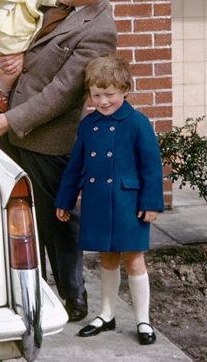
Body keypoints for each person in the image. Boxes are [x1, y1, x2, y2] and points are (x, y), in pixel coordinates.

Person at [0, 0, 118, 323]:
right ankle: (31, 290)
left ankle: (74, 299)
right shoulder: (60, 4)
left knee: (58, 223)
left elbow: (62, 93)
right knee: (19, 218)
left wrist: (10, 119)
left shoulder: (100, 31)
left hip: (46, 138)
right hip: (15, 125)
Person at [54, 55, 164, 345]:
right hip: (98, 201)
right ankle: (106, 314)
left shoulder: (138, 123)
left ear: (126, 90)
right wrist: (64, 201)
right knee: (107, 258)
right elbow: (75, 166)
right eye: (96, 94)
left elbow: (152, 166)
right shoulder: (88, 126)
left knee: (134, 259)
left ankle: (143, 320)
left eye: (109, 94)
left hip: (129, 204)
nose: (102, 101)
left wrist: (151, 203)